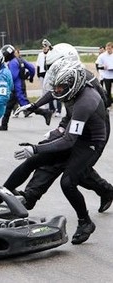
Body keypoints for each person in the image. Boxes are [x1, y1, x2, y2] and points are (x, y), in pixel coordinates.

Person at [11, 59, 107, 245]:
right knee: (40, 160)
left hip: (92, 138)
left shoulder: (86, 99)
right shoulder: (68, 81)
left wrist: (36, 148)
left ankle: (86, 220)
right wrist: (34, 106)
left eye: (62, 87)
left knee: (70, 179)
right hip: (75, 129)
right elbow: (54, 93)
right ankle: (5, 194)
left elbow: (70, 139)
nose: (58, 91)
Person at [0, 44, 52, 131]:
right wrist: (30, 77)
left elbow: (12, 76)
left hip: (17, 88)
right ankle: (4, 125)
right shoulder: (19, 59)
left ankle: (45, 112)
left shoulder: (12, 63)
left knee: (25, 105)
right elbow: (32, 68)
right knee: (9, 105)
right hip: (20, 85)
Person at [36, 39, 62, 116]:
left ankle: (58, 110)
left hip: (52, 74)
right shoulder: (40, 55)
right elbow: (38, 65)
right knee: (47, 92)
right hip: (43, 74)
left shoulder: (52, 54)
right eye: (43, 47)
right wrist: (38, 74)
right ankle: (51, 108)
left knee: (56, 92)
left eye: (46, 47)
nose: (44, 48)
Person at [97, 42, 113, 106]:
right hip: (106, 76)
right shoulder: (102, 56)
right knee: (108, 90)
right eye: (107, 49)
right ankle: (108, 104)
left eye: (110, 49)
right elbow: (98, 66)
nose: (108, 50)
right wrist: (103, 67)